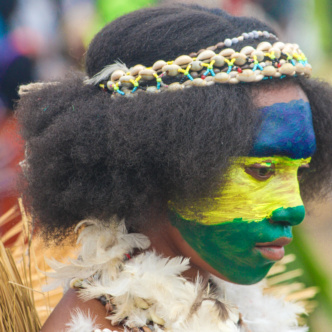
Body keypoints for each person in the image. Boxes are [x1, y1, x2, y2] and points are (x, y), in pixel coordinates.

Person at [16, 4, 332, 332]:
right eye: (263, 170)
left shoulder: (237, 307)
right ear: (162, 162)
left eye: (300, 170)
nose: (295, 208)